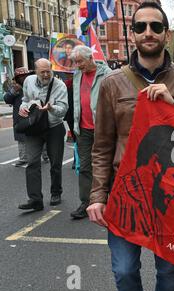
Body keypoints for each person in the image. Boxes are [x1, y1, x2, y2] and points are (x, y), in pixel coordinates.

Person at [86, 1, 174, 291]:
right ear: (133, 34)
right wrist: (97, 196)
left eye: (156, 26)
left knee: (168, 271)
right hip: (125, 192)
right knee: (125, 270)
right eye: (141, 27)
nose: (148, 32)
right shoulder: (112, 84)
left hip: (172, 197)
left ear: (167, 34)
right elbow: (102, 146)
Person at [18, 59, 68, 211]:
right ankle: (35, 200)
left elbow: (63, 110)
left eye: (48, 71)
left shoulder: (60, 85)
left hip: (54, 126)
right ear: (36, 71)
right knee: (32, 162)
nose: (46, 75)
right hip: (35, 127)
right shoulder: (29, 81)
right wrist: (23, 108)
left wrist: (51, 108)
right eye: (42, 72)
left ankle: (56, 193)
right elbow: (25, 100)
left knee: (55, 163)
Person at [68, 45, 112, 220]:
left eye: (80, 61)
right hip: (83, 129)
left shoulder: (107, 74)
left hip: (103, 128)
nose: (78, 65)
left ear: (90, 58)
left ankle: (110, 201)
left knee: (106, 166)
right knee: (85, 167)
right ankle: (86, 202)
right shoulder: (78, 74)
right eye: (75, 62)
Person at [3, 67, 34, 167]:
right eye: (20, 77)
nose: (23, 78)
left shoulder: (33, 84)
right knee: (21, 138)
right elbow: (7, 99)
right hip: (19, 117)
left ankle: (45, 154)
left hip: (33, 115)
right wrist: (14, 91)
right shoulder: (15, 87)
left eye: (24, 76)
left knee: (37, 135)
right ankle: (23, 158)